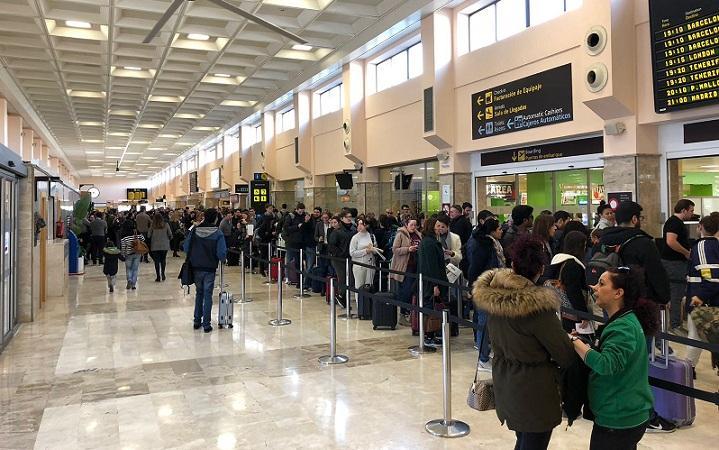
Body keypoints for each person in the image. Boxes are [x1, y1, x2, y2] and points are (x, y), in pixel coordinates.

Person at [472, 236, 575, 450]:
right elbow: (564, 354)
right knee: (534, 441)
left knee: (523, 438)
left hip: (505, 380)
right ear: (540, 268)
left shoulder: (495, 298)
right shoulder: (537, 308)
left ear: (512, 265)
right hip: (535, 388)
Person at [599, 201, 674, 433]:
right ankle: (646, 414)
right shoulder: (642, 242)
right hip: (639, 308)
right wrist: (664, 297)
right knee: (639, 362)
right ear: (634, 219)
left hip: (610, 304)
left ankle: (613, 403)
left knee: (615, 353)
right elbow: (655, 275)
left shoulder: (604, 240)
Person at [569, 267, 658, 449]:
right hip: (621, 414)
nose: (594, 287)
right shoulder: (624, 320)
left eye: (601, 284)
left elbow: (606, 364)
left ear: (618, 293)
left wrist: (573, 341)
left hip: (619, 419)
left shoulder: (623, 327)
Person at [466, 217, 505, 369]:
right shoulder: (484, 245)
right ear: (492, 231)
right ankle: (483, 357)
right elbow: (475, 267)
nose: (501, 231)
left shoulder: (494, 244)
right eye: (499, 229)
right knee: (483, 321)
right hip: (484, 287)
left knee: (490, 321)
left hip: (494, 286)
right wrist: (472, 286)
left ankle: (487, 352)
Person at [183, 208, 227, 333]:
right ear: (215, 218)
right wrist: (222, 259)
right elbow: (221, 253)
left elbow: (186, 247)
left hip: (196, 267)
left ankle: (197, 320)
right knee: (208, 295)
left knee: (199, 293)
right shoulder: (218, 233)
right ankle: (206, 324)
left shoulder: (195, 230)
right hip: (210, 268)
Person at [685, 214, 719, 370]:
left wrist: (700, 296)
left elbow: (712, 278)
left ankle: (687, 371)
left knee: (694, 337)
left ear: (701, 227)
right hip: (709, 300)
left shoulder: (703, 246)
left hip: (703, 302)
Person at [661, 199, 694, 331]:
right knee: (676, 294)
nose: (692, 214)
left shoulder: (675, 222)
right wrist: (686, 253)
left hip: (674, 263)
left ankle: (675, 323)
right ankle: (675, 325)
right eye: (691, 210)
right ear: (683, 210)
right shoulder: (675, 223)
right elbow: (670, 241)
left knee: (677, 294)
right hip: (674, 264)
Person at [418, 217, 449, 347]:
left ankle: (432, 334)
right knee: (430, 307)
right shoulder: (430, 243)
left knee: (433, 306)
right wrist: (435, 284)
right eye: (437, 226)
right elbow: (431, 265)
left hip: (433, 279)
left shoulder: (429, 242)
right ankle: (428, 335)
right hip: (432, 281)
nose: (439, 228)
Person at [549, 231, 589, 332]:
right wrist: (583, 314)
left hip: (559, 310)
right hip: (572, 314)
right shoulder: (573, 265)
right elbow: (574, 292)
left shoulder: (558, 261)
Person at [390, 216, 422, 326]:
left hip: (415, 265)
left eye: (415, 225)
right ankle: (403, 314)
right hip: (404, 266)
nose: (413, 227)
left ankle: (411, 313)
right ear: (406, 225)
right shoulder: (400, 234)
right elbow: (395, 249)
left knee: (413, 290)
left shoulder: (418, 234)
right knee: (406, 289)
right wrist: (408, 249)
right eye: (411, 225)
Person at [349, 218, 377, 303]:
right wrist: (365, 251)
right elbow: (352, 253)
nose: (360, 226)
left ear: (367, 225)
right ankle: (360, 307)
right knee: (359, 286)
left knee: (369, 286)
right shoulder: (355, 238)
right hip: (359, 265)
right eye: (359, 224)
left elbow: (375, 248)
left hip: (370, 263)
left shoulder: (371, 236)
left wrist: (374, 250)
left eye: (362, 224)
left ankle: (368, 307)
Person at [327, 215, 351, 307]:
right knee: (342, 277)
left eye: (335, 222)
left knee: (346, 278)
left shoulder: (346, 231)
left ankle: (342, 295)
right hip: (338, 259)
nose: (333, 224)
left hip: (345, 258)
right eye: (332, 223)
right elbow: (331, 246)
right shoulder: (335, 232)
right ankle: (341, 295)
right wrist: (340, 253)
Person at [119, 221, 144, 290]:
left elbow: (123, 246)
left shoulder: (124, 236)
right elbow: (143, 239)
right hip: (137, 253)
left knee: (128, 269)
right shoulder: (137, 233)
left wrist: (123, 254)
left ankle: (129, 280)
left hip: (128, 254)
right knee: (135, 269)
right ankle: (133, 284)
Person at [148, 213, 173, 282]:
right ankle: (163, 274)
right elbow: (170, 234)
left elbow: (148, 235)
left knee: (156, 261)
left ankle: (158, 276)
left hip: (155, 246)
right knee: (163, 260)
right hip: (164, 245)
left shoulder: (152, 225)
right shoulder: (166, 224)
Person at [532, 214, 556, 280]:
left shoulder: (550, 242)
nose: (555, 228)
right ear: (545, 227)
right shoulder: (536, 245)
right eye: (553, 225)